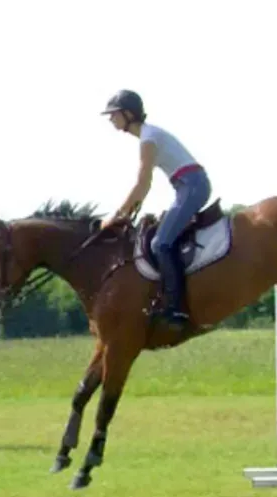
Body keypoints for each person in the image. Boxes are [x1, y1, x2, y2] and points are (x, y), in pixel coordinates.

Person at [99, 89, 213, 332]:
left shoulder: (148, 138)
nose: (111, 119)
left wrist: (117, 215)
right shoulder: (148, 136)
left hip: (192, 186)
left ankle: (177, 308)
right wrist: (129, 212)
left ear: (129, 114)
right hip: (187, 186)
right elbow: (144, 187)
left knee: (160, 243)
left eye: (114, 114)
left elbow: (142, 184)